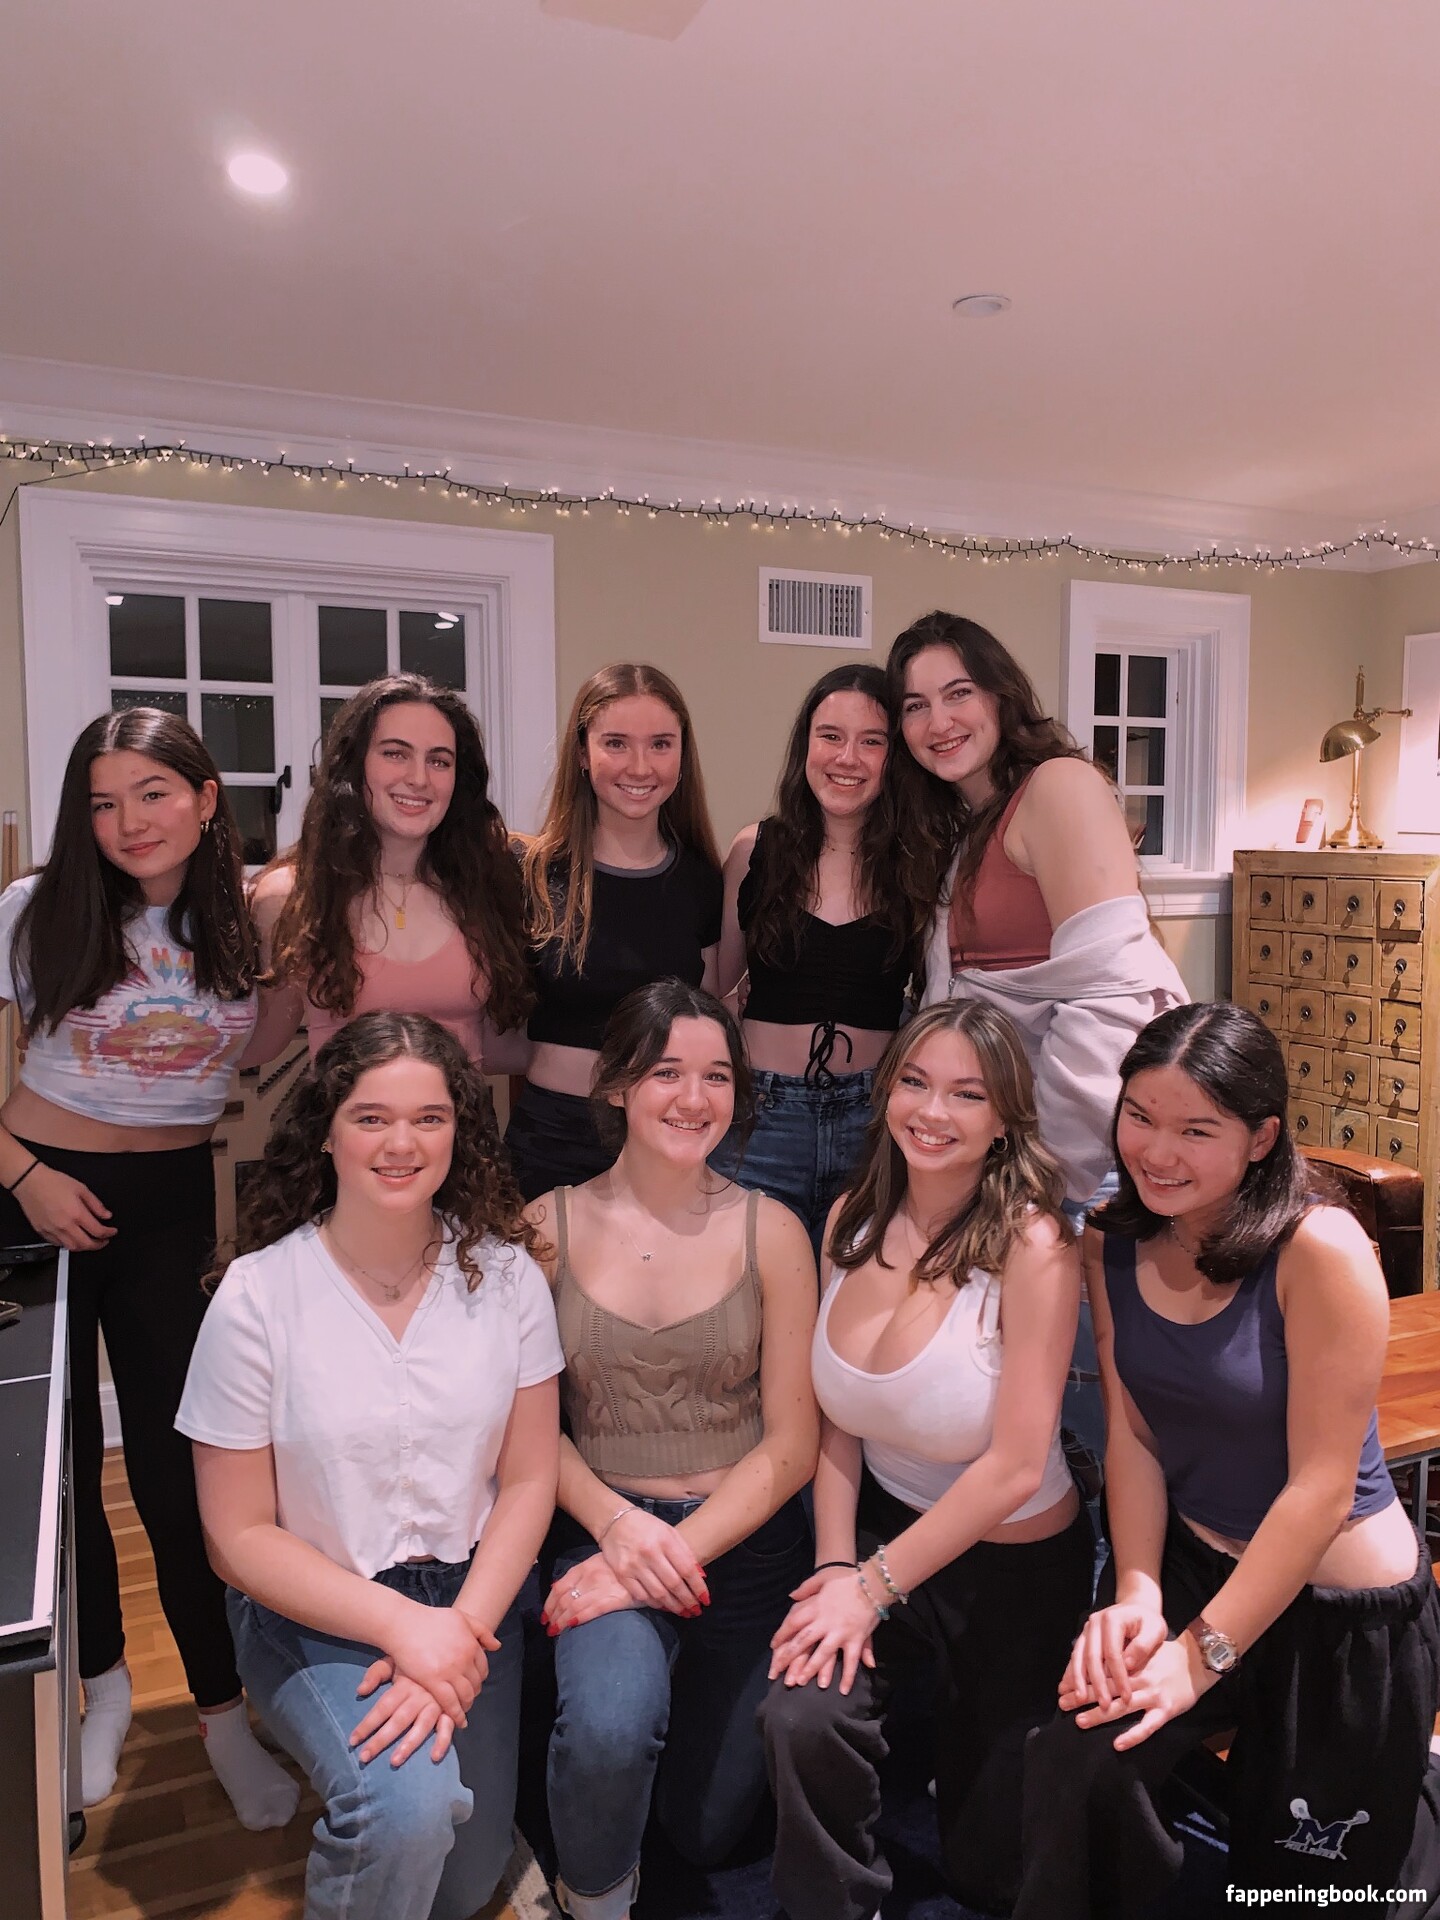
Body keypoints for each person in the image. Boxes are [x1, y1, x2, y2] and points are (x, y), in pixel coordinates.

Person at [1015, 1002, 1440, 1916]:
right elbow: (1132, 1432)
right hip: (1189, 1565)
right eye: (1140, 1117)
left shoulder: (1320, 1248)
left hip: (1334, 1612)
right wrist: (1137, 1592)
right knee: (1076, 1767)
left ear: (1261, 1139)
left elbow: (1321, 1488)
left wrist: (1200, 1655)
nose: (1157, 1152)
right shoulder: (1111, 1237)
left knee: (1302, 1888)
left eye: (1196, 1130)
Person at [176, 1011, 562, 1920]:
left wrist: (456, 1630)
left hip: (472, 1602)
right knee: (405, 1813)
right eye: (371, 1117)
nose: (402, 1143)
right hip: (316, 1604)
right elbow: (236, 1537)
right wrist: (402, 1628)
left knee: (460, 1888)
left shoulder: (508, 1278)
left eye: (429, 1118)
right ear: (326, 1130)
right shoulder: (258, 1296)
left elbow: (530, 1480)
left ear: (459, 1132)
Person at [0, 707, 297, 1823]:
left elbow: (258, 1046)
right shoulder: (36, 908)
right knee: (61, 1468)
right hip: (35, 1195)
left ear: (207, 798)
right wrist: (24, 1177)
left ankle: (220, 1710)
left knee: (182, 1469)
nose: (129, 821)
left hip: (170, 1206)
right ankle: (104, 1690)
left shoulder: (244, 918)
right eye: (103, 802)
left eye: (154, 793)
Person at [759, 999, 1095, 1920]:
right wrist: (837, 1569)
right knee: (800, 1712)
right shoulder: (849, 1219)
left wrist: (870, 1587)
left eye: (967, 1094)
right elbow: (838, 1422)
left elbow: (1016, 1466)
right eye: (914, 1081)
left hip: (1013, 1570)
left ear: (1004, 1119)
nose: (933, 1112)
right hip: (884, 1531)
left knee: (992, 1873)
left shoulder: (1035, 1246)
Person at [525, 980, 818, 1920]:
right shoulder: (543, 1229)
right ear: (616, 1085)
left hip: (747, 1544)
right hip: (604, 1529)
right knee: (609, 1735)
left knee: (705, 1830)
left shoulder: (774, 1231)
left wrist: (674, 1552)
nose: (695, 1099)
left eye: (717, 1077)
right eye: (666, 1073)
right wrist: (622, 1537)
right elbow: (524, 1430)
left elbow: (795, 1444)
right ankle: (592, 1897)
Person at [888, 609, 1188, 1465]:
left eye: (958, 693)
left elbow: (1115, 1004)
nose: (938, 722)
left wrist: (1035, 1186)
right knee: (1026, 1411)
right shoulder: (968, 826)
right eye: (915, 706)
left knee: (1095, 1420)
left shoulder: (1059, 787)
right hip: (1016, 1163)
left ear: (1000, 694)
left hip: (1083, 1169)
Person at [713, 664, 918, 1260]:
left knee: (854, 1293)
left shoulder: (917, 865)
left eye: (871, 741)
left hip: (874, 1121)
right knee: (753, 1291)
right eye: (830, 735)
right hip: (760, 1118)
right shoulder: (755, 850)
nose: (847, 758)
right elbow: (716, 988)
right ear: (806, 743)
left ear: (894, 756)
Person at [507, 665, 723, 1202]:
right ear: (583, 753)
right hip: (552, 1135)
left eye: (660, 744)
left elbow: (712, 1016)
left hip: (669, 1133)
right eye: (616, 743)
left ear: (682, 756)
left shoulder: (701, 878)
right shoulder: (531, 873)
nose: (640, 766)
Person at [248, 673, 533, 1068]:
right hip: (342, 1110)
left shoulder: (487, 889)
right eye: (395, 754)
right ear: (355, 765)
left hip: (462, 1109)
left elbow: (510, 1048)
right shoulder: (291, 897)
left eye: (439, 761)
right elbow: (261, 1042)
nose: (418, 779)